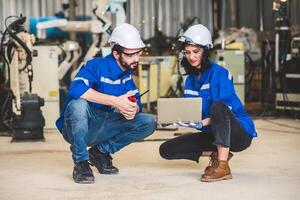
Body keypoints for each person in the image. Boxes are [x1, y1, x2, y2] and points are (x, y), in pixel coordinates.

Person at [56, 23, 156, 184]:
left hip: (106, 124)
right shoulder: (95, 65)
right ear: (116, 53)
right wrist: (115, 101)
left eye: (138, 53)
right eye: (131, 55)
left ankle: (100, 152)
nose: (136, 59)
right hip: (80, 126)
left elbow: (136, 99)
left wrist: (132, 108)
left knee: (149, 122)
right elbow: (76, 89)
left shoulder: (126, 74)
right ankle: (81, 163)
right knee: (78, 105)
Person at [159, 24, 257, 182]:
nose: (191, 57)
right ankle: (218, 153)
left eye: (196, 52)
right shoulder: (190, 80)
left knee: (217, 107)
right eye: (188, 52)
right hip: (213, 133)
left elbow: (223, 111)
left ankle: (223, 166)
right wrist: (172, 118)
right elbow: (191, 111)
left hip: (238, 134)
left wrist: (201, 122)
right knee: (167, 150)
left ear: (206, 51)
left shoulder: (220, 73)